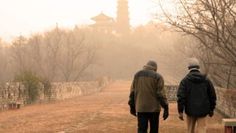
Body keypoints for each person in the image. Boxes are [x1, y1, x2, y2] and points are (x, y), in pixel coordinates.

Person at [177, 58, 217, 133]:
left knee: (190, 130)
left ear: (189, 68)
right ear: (198, 67)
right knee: (202, 130)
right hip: (203, 110)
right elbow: (212, 95)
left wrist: (180, 111)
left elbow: (181, 97)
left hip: (190, 110)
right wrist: (211, 109)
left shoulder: (185, 80)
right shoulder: (206, 80)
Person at [128, 60, 169, 133]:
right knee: (154, 130)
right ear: (155, 68)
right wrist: (166, 108)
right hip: (154, 109)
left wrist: (132, 107)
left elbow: (132, 93)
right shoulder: (158, 76)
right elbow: (160, 94)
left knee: (142, 130)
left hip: (141, 107)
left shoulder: (137, 75)